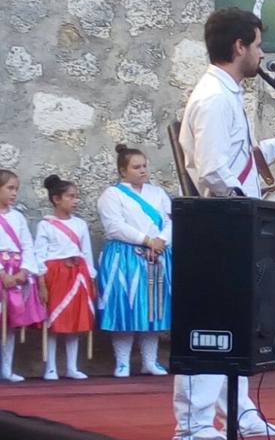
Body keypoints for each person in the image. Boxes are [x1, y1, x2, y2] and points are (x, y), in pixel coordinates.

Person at [176, 7, 275, 440]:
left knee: (234, 324)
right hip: (221, 226)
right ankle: (194, 427)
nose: (261, 54)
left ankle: (239, 413)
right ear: (239, 46)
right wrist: (248, 211)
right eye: (257, 45)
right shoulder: (214, 99)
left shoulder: (227, 95)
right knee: (210, 326)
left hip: (231, 224)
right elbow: (214, 171)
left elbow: (243, 159)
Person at [96, 146, 172, 378]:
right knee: (125, 307)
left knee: (153, 308)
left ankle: (150, 361)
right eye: (136, 167)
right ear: (123, 170)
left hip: (156, 255)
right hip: (125, 257)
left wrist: (161, 241)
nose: (142, 170)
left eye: (144, 166)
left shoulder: (158, 193)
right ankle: (122, 362)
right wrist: (147, 240)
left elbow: (172, 220)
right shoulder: (112, 195)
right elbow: (115, 226)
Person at [34, 175, 97, 380]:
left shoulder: (80, 224)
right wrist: (41, 282)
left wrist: (91, 278)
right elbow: (39, 255)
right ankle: (51, 367)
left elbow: (86, 252)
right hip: (56, 275)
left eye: (75, 196)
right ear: (56, 199)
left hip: (78, 275)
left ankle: (72, 366)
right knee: (55, 321)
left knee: (75, 320)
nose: (75, 200)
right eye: (70, 196)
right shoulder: (46, 225)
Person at [0, 170, 47, 383]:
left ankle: (6, 368)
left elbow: (28, 245)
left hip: (16, 273)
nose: (14, 193)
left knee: (10, 322)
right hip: (2, 273)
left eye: (16, 189)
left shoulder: (18, 217)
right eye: (9, 188)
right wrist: (2, 273)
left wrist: (24, 271)